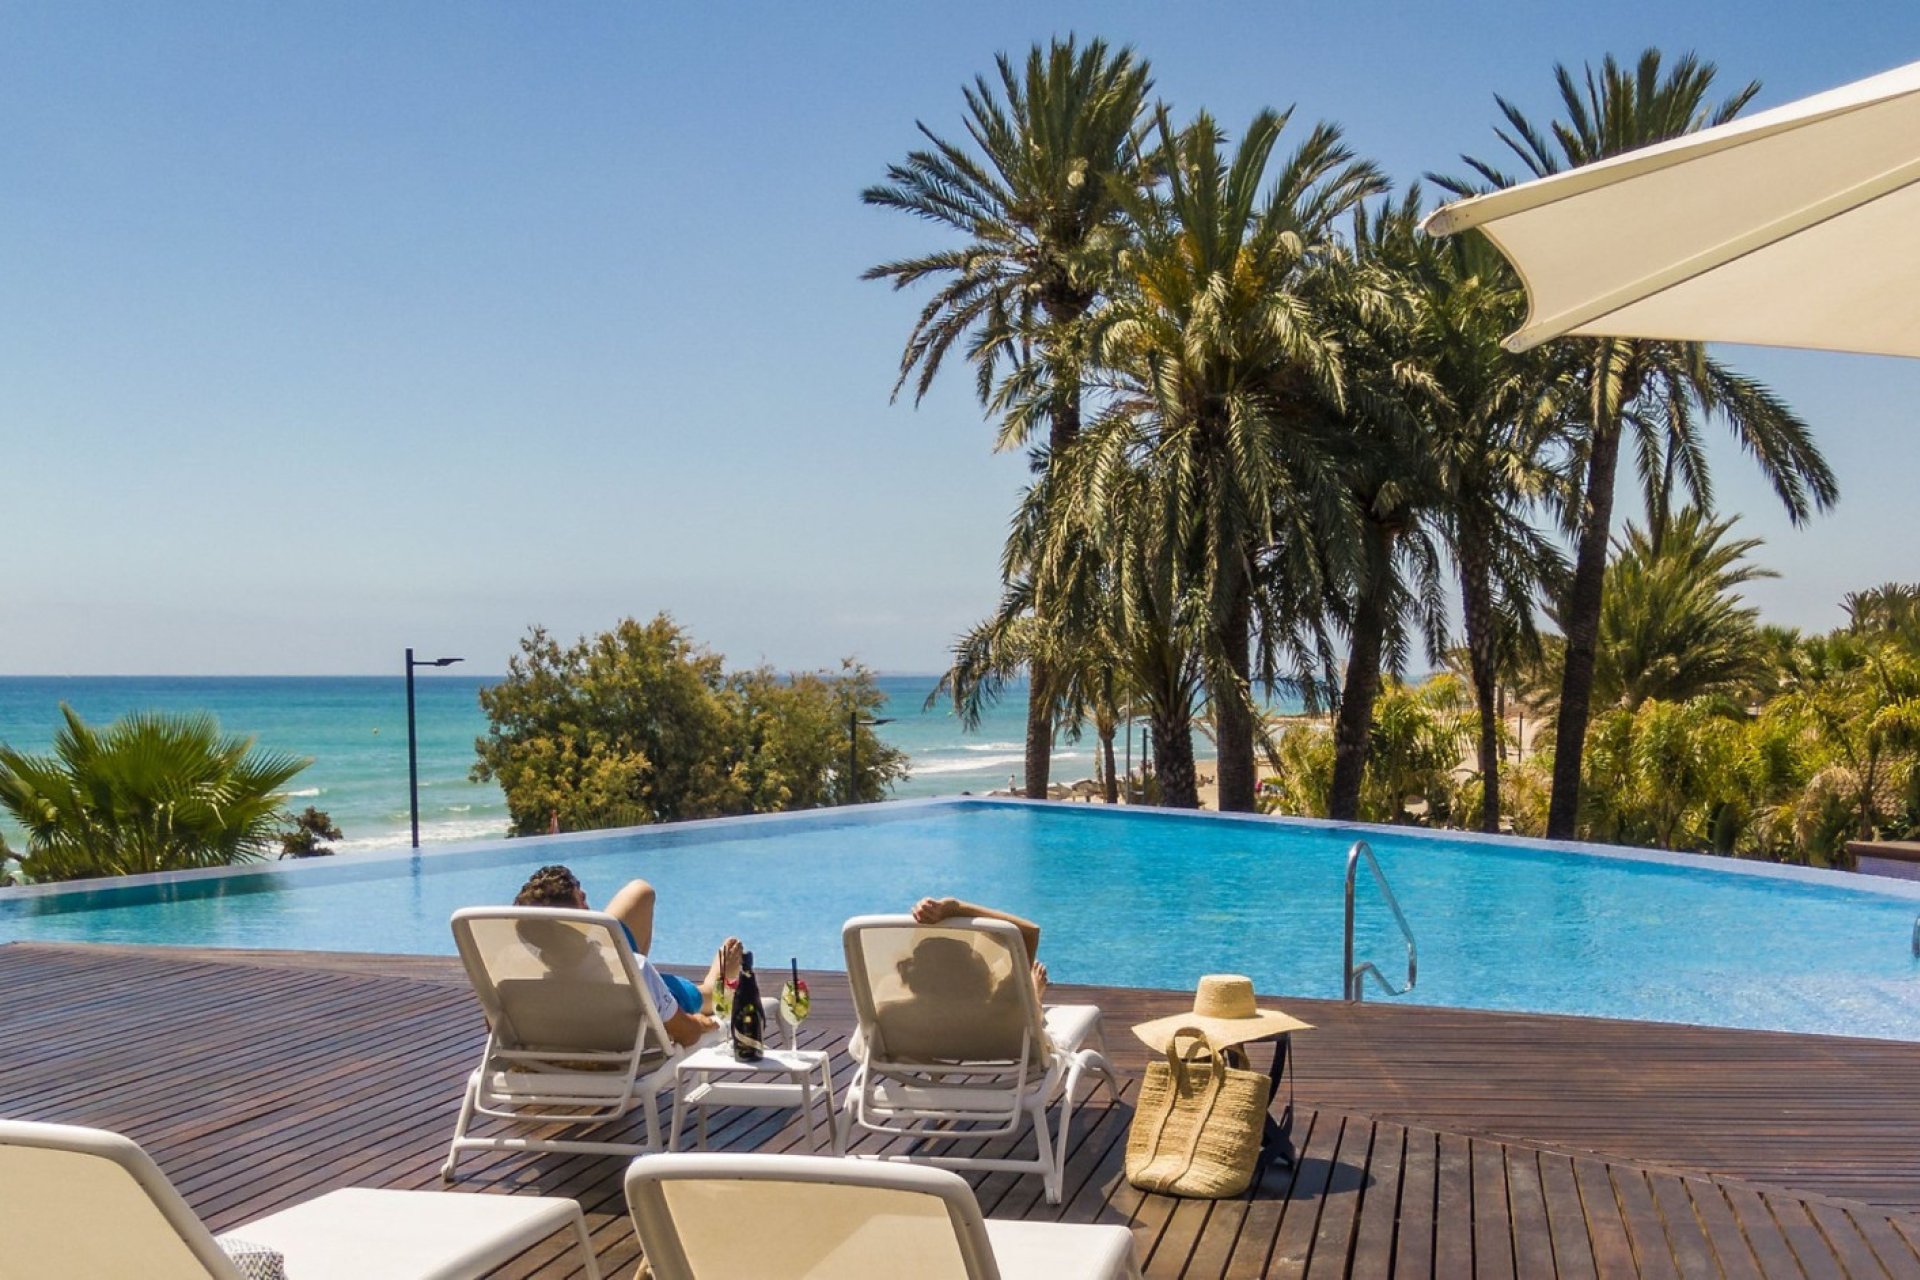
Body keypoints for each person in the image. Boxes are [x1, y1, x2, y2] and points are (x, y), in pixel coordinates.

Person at [514, 865, 739, 1047]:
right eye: (580, 899)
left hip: (578, 987)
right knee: (700, 994)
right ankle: (716, 988)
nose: (584, 894)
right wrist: (700, 1024)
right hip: (629, 996)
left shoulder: (518, 979)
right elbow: (687, 1034)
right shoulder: (637, 969)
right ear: (577, 922)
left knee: (640, 892)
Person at [910, 896, 1048, 1003]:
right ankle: (1034, 995)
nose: (976, 951)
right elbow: (1029, 933)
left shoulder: (901, 1013)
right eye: (971, 952)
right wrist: (956, 908)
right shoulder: (1000, 1008)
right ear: (975, 975)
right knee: (1031, 999)